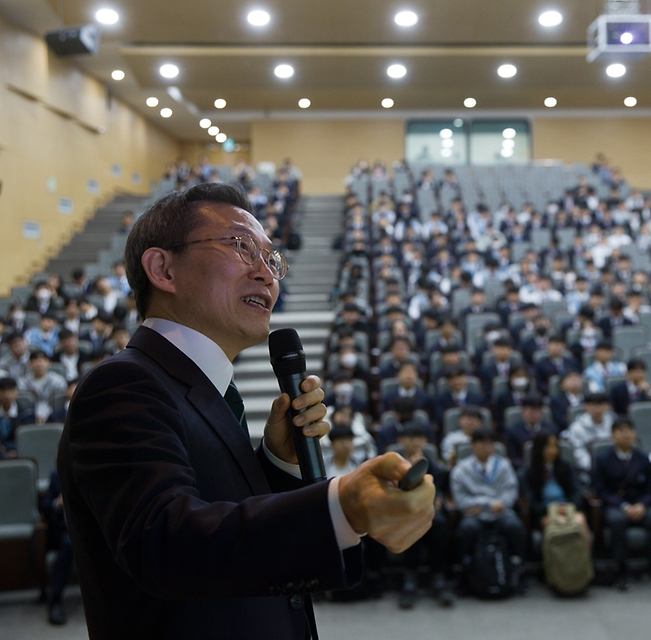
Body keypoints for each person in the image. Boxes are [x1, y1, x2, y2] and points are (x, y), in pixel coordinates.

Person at [58, 183, 435, 640]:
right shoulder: (123, 385)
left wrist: (275, 464)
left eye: (272, 259)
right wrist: (342, 505)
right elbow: (167, 545)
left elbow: (220, 517)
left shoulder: (204, 389)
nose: (267, 275)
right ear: (163, 268)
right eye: (240, 247)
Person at [593, 419, 651, 590]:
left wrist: (642, 505)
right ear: (613, 435)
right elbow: (601, 490)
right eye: (621, 431)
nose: (626, 434)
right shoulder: (603, 459)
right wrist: (623, 506)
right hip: (617, 506)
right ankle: (620, 570)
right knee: (616, 521)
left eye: (629, 430)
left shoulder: (644, 458)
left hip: (641, 505)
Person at [451, 428, 526, 589]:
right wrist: (488, 503)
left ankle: (518, 570)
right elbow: (460, 498)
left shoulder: (504, 465)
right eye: (484, 444)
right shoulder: (462, 469)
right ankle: (464, 572)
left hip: (501, 512)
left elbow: (511, 490)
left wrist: (500, 504)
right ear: (474, 446)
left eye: (491, 444)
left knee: (515, 528)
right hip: (475, 515)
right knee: (465, 530)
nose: (488, 447)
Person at [394, 423, 454, 609]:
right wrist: (410, 469)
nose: (415, 443)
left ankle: (438, 577)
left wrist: (423, 467)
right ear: (401, 441)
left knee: (439, 523)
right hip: (401, 509)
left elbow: (438, 486)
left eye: (419, 439)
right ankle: (409, 579)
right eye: (411, 439)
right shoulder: (393, 461)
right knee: (413, 524)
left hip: (427, 508)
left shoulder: (429, 460)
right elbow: (393, 489)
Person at [519, 432, 588, 539]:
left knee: (580, 521)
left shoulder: (566, 467)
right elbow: (532, 501)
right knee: (558, 524)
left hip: (568, 509)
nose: (553, 450)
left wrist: (567, 507)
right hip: (544, 513)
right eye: (548, 446)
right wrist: (552, 509)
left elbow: (576, 492)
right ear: (539, 448)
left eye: (555, 446)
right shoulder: (529, 473)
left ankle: (584, 556)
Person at [41, 470, 73, 625]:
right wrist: (57, 503)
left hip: (87, 531)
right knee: (68, 543)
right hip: (63, 532)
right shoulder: (56, 476)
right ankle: (56, 600)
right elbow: (45, 506)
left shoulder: (91, 474)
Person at [563, 392, 616, 480]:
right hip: (590, 472)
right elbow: (578, 452)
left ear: (607, 406)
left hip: (615, 468)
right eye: (593, 405)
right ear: (586, 407)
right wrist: (596, 468)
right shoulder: (577, 428)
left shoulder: (614, 423)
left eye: (600, 404)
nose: (597, 409)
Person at [504, 394, 556, 468]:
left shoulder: (551, 430)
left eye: (537, 410)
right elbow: (513, 456)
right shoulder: (513, 431)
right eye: (531, 410)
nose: (534, 414)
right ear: (523, 411)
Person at [19, 351, 68, 423]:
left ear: (49, 363)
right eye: (35, 361)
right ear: (29, 364)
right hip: (29, 417)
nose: (39, 364)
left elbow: (59, 404)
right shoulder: (23, 383)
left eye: (43, 361)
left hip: (54, 416)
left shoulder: (58, 381)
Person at [0, 377, 36, 458]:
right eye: (3, 391)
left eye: (11, 390)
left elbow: (28, 438)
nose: (7, 395)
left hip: (20, 453)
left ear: (16, 392)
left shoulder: (27, 412)